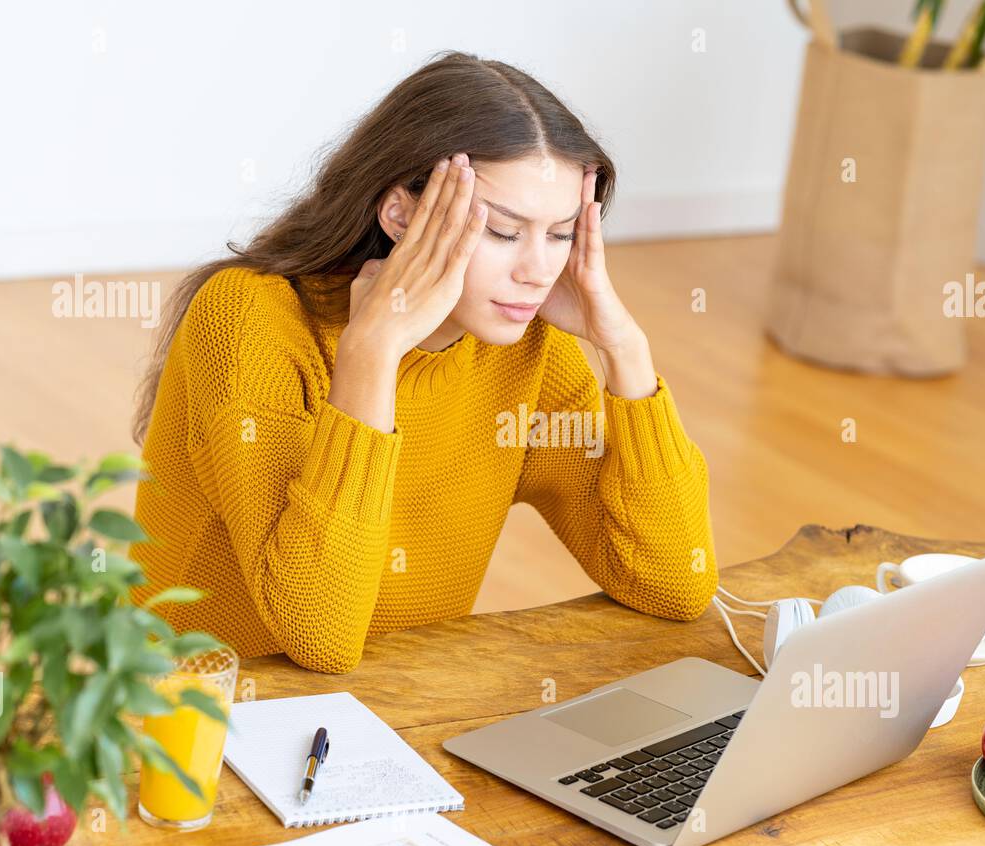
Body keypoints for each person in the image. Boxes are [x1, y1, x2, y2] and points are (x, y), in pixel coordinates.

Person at [129, 51, 718, 673]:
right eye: (503, 231)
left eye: (561, 233)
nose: (538, 270)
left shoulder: (527, 351)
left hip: (390, 711)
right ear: (401, 214)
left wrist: (625, 350)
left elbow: (675, 584)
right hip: (190, 717)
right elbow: (319, 633)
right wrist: (372, 353)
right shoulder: (249, 318)